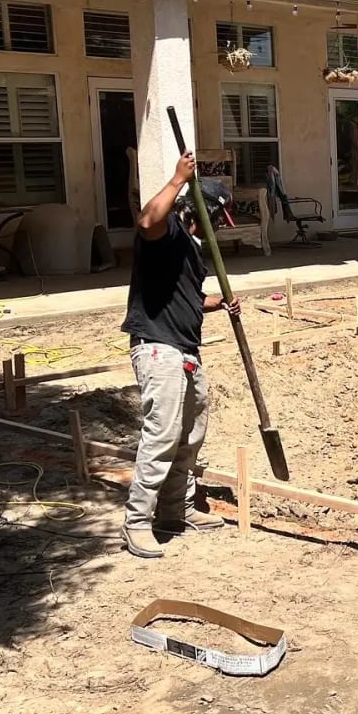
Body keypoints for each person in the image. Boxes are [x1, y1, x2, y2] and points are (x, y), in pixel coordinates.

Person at [120, 152, 240, 559]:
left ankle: (177, 511)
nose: (218, 232)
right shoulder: (167, 231)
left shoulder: (191, 248)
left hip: (187, 349)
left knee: (190, 436)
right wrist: (176, 180)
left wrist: (219, 303)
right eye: (216, 220)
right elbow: (146, 221)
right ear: (200, 214)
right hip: (158, 347)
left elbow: (190, 296)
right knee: (162, 435)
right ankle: (137, 522)